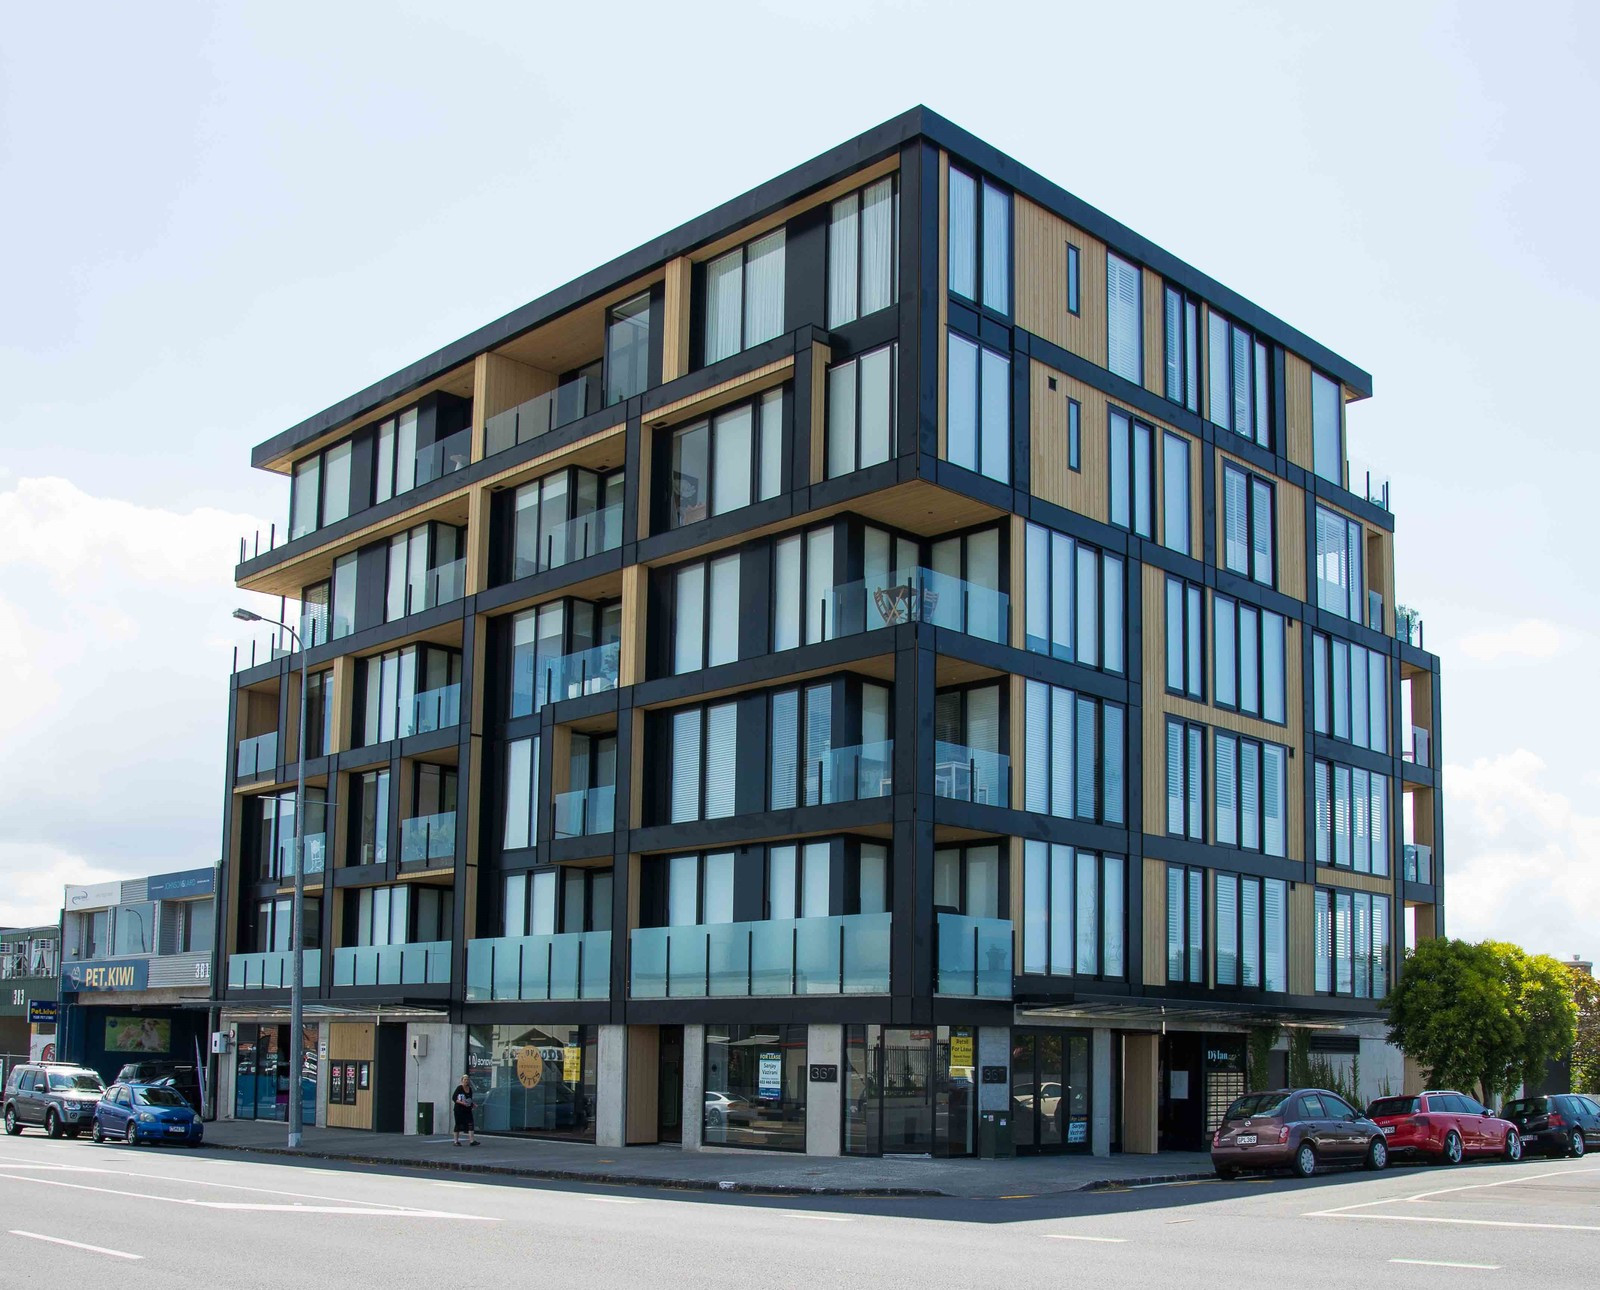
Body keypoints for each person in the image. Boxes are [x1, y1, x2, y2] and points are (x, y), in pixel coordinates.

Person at [451, 1073, 478, 1146]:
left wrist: (473, 1104)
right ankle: (456, 1141)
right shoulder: (459, 1088)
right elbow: (454, 1098)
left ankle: (472, 1141)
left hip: (467, 1109)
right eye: (465, 1079)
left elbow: (469, 1099)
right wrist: (462, 1103)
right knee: (458, 1124)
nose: (466, 1081)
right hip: (459, 1109)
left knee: (471, 1123)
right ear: (462, 1080)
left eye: (467, 1079)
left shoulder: (469, 1089)